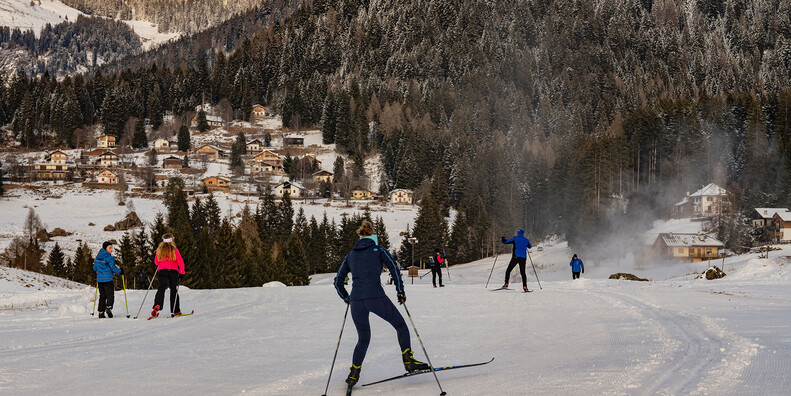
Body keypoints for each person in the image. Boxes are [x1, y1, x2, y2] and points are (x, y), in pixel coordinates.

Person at [334, 221, 428, 388]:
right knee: (400, 325)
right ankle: (408, 360)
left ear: (360, 236)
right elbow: (394, 268)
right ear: (373, 236)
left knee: (363, 339)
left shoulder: (351, 255)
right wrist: (400, 290)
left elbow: (338, 281)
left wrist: (346, 297)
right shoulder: (378, 250)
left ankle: (353, 374)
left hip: (356, 301)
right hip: (375, 297)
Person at [151, 234, 186, 318]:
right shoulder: (174, 250)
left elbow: (156, 262)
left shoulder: (160, 250)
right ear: (171, 240)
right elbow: (180, 262)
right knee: (174, 289)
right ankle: (176, 310)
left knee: (161, 288)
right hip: (173, 271)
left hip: (163, 271)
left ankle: (157, 304)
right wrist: (182, 272)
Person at [93, 241, 123, 318]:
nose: (111, 249)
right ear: (105, 248)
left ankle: (101, 312)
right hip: (108, 279)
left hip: (100, 280)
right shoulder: (109, 258)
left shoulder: (98, 257)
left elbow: (95, 268)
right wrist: (120, 271)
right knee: (110, 295)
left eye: (111, 248)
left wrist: (100, 270)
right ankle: (109, 307)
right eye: (109, 248)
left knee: (102, 296)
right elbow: (113, 268)